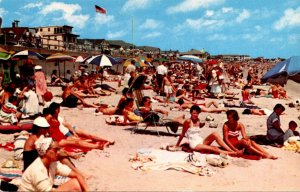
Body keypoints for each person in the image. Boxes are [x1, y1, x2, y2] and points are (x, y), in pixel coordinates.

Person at [19, 136, 88, 191]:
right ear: (46, 151)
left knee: (76, 183)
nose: (58, 152)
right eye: (56, 150)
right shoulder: (37, 170)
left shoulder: (52, 163)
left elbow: (76, 175)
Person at [175, 105, 241, 155]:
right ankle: (233, 153)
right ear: (190, 113)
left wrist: (201, 125)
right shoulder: (188, 121)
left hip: (200, 141)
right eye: (194, 113)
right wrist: (177, 145)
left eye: (197, 113)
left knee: (215, 133)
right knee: (214, 148)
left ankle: (232, 150)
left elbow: (196, 128)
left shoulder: (198, 120)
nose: (196, 115)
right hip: (194, 144)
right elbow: (182, 134)